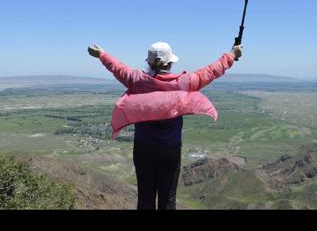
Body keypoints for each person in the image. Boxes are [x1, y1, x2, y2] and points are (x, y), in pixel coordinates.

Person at [88, 41, 242, 210]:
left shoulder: (137, 81)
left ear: (148, 62)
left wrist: (102, 54)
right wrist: (232, 55)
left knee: (145, 199)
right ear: (170, 63)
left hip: (143, 149)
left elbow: (117, 68)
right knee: (168, 200)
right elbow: (212, 71)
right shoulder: (184, 82)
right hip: (170, 150)